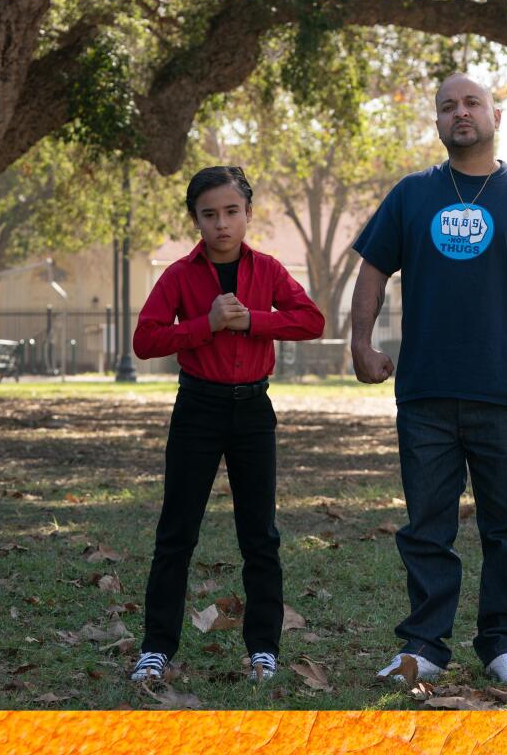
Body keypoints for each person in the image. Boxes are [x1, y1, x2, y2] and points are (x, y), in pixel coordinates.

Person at [350, 73, 507, 690]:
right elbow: (373, 269)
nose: (461, 113)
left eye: (472, 103)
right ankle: (424, 645)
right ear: (437, 122)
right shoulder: (411, 194)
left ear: (496, 115)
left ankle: (506, 645)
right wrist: (360, 343)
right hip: (426, 392)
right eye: (449, 106)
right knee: (427, 526)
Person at [130, 166, 326, 682]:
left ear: (248, 214)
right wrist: (207, 325)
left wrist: (253, 320)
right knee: (177, 532)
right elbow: (146, 340)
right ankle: (156, 647)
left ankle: (263, 648)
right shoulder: (177, 275)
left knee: (259, 534)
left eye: (231, 212)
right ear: (195, 218)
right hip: (197, 409)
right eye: (209, 214)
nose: (222, 224)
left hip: (253, 412)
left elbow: (311, 320)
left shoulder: (269, 270)